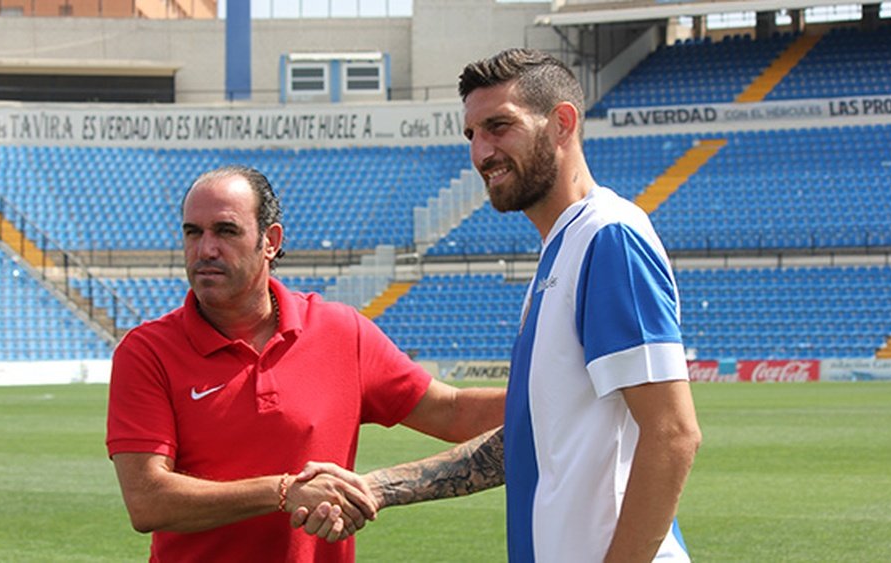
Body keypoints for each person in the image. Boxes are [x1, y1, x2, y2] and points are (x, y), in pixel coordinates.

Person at [293, 48, 703, 563]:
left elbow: (672, 433)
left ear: (562, 123)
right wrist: (379, 487)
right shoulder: (561, 250)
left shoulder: (609, 237)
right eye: (472, 135)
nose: (482, 152)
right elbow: (530, 439)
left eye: (499, 126)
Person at [105, 164, 506, 562]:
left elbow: (453, 413)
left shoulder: (340, 331)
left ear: (270, 241)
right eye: (193, 232)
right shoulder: (147, 351)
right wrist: (283, 491)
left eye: (226, 231)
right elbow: (148, 501)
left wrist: (553, 393)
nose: (205, 249)